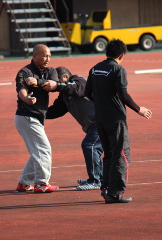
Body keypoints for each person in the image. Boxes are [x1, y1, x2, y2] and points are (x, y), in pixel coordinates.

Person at [85, 39, 152, 204]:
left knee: (108, 154)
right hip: (115, 120)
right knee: (121, 155)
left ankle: (106, 188)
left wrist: (102, 102)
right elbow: (123, 93)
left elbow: (87, 93)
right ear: (122, 55)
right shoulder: (118, 69)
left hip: (100, 119)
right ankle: (114, 193)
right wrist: (139, 109)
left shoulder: (94, 69)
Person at [42, 66, 103, 191]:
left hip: (102, 121)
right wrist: (37, 113)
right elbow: (57, 110)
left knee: (89, 145)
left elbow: (78, 90)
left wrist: (57, 86)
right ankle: (99, 178)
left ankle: (96, 181)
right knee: (92, 148)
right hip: (93, 125)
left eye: (56, 81)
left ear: (65, 77)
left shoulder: (80, 81)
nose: (54, 86)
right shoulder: (64, 94)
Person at [14, 44, 59, 193]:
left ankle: (25, 183)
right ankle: (41, 183)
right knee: (44, 149)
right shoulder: (25, 72)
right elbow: (21, 90)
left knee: (37, 151)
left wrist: (37, 82)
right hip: (26, 116)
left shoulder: (51, 71)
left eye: (49, 56)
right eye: (45, 56)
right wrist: (26, 98)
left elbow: (52, 85)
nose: (48, 59)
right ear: (35, 56)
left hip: (37, 117)